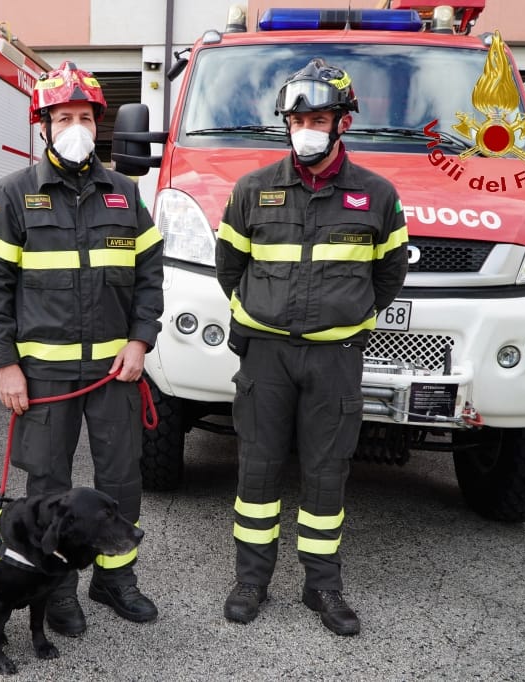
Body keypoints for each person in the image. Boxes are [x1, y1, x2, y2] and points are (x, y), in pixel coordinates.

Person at [215, 58, 408, 635]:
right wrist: (262, 315)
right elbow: (230, 267)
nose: (306, 128)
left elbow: (389, 275)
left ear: (343, 122)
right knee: (257, 471)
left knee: (327, 474)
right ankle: (252, 579)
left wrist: (346, 319)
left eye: (319, 117)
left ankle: (322, 586)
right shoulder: (252, 190)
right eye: (297, 118)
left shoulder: (377, 195)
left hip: (335, 359)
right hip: (266, 356)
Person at [0, 61, 164, 636]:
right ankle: (57, 591)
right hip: (43, 376)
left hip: (115, 374)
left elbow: (151, 275)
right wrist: (5, 364)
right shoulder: (12, 195)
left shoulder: (126, 194)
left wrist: (140, 340)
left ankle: (115, 580)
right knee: (49, 487)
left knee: (120, 480)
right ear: (45, 126)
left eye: (84, 117)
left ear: (98, 125)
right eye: (63, 117)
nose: (75, 126)